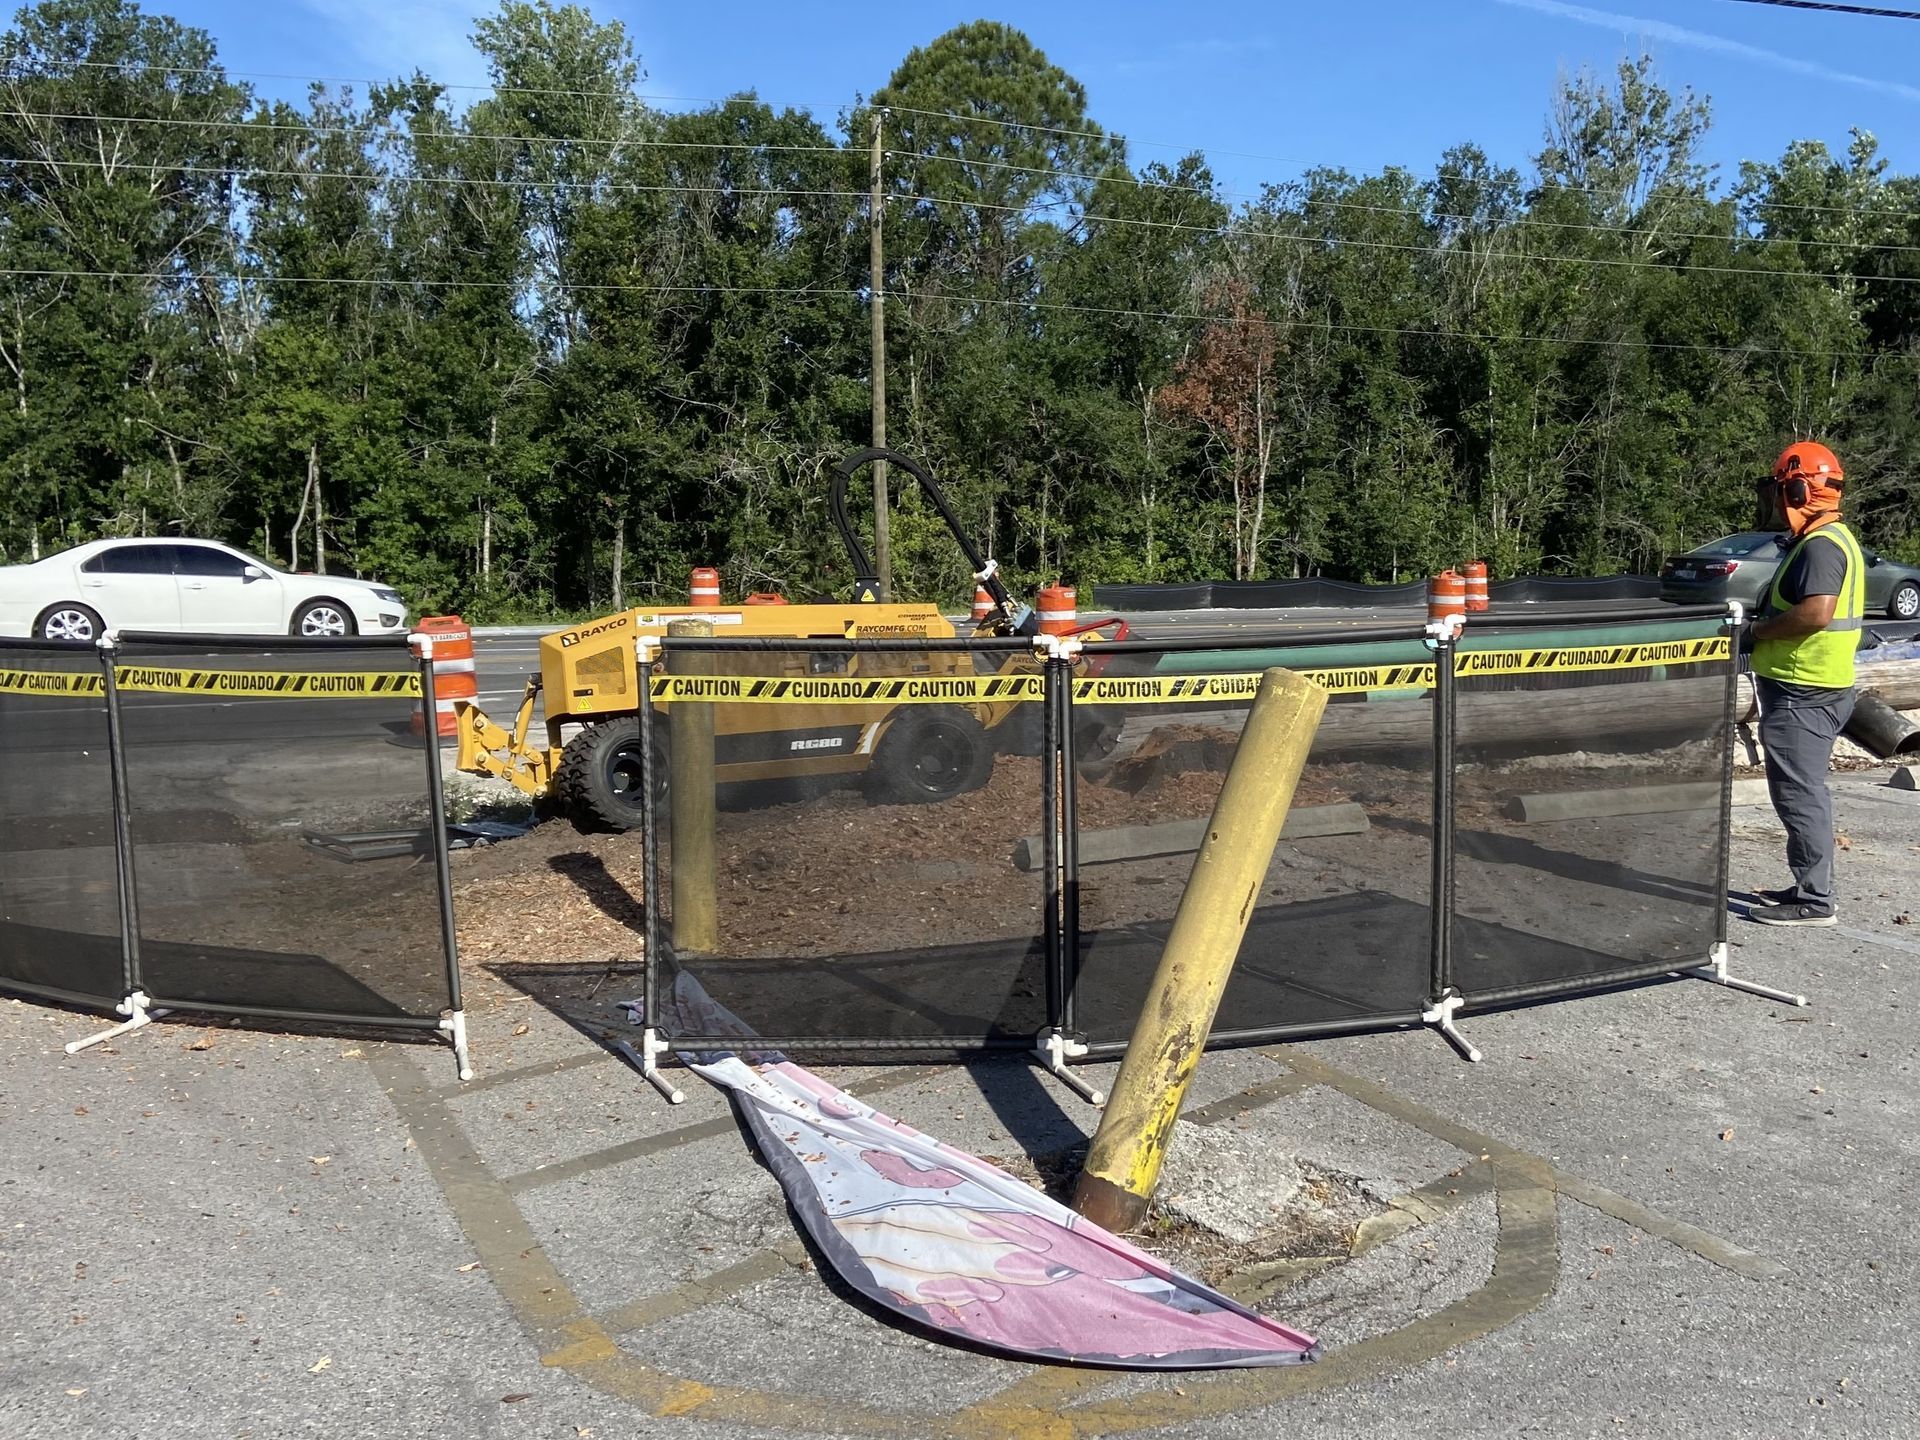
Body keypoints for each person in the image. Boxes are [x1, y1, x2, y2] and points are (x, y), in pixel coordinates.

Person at [1747, 440, 1867, 928]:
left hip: (1805, 691)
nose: (1776, 503)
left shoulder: (1821, 547)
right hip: (1817, 687)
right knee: (1801, 790)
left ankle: (1815, 899)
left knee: (1799, 794)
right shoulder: (1833, 540)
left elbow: (1816, 613)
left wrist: (1757, 633)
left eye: (1781, 491)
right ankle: (1806, 884)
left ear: (1798, 489)